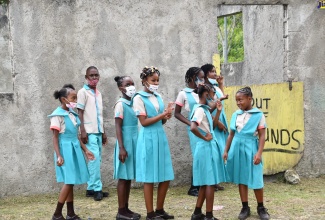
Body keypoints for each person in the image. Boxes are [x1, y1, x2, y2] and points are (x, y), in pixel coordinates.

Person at [133, 66, 174, 220]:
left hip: (159, 136)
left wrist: (166, 115)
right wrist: (162, 115)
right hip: (148, 138)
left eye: (157, 80)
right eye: (153, 80)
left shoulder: (157, 96)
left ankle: (160, 209)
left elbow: (160, 121)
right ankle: (150, 213)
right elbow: (143, 122)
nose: (156, 83)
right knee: (149, 176)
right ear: (144, 81)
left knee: (166, 174)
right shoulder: (138, 98)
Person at [223, 87, 270, 220]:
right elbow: (231, 134)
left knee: (256, 177)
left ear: (250, 99)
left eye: (241, 100)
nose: (238, 103)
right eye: (236, 100)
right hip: (237, 148)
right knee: (241, 178)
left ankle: (261, 207)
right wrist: (226, 150)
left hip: (251, 148)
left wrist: (259, 153)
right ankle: (245, 207)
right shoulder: (235, 115)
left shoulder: (258, 115)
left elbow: (262, 136)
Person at [49, 84, 94, 220]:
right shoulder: (58, 116)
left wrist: (86, 150)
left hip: (74, 148)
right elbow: (55, 138)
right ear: (64, 99)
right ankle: (57, 213)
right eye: (73, 98)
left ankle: (70, 213)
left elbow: (76, 137)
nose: (75, 101)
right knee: (69, 181)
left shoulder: (72, 114)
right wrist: (59, 155)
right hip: (65, 150)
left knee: (71, 181)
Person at [190, 84, 227, 220]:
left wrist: (217, 111)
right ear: (205, 94)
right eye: (211, 94)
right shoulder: (199, 110)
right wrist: (204, 137)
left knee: (206, 182)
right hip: (205, 147)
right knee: (210, 183)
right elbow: (193, 127)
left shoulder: (204, 110)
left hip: (208, 146)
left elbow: (213, 124)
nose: (213, 97)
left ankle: (197, 212)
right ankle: (209, 215)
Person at [77, 66, 108, 201]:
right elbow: (80, 112)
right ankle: (97, 189)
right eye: (91, 76)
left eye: (96, 75)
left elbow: (100, 115)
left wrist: (104, 132)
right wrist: (82, 131)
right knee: (93, 159)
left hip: (98, 131)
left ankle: (90, 187)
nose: (94, 78)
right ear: (86, 77)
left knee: (96, 159)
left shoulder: (98, 93)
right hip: (88, 132)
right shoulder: (82, 92)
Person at [113, 76, 141, 220]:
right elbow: (118, 126)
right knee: (123, 177)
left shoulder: (133, 102)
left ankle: (126, 208)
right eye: (127, 84)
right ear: (121, 88)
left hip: (134, 140)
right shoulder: (120, 104)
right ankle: (120, 211)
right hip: (125, 142)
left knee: (129, 176)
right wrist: (122, 147)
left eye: (132, 84)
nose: (131, 86)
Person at [174, 67, 204, 197]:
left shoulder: (203, 91)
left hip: (205, 126)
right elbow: (177, 113)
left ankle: (204, 183)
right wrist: (189, 123)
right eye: (201, 77)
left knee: (204, 155)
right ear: (193, 78)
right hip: (194, 128)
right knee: (197, 155)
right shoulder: (183, 93)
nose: (203, 80)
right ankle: (194, 186)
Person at [201, 63, 228, 191]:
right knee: (215, 150)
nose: (215, 73)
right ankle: (213, 181)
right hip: (213, 120)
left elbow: (223, 96)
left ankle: (216, 180)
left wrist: (221, 83)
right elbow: (206, 108)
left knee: (221, 149)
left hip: (220, 116)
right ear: (206, 74)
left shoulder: (215, 87)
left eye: (215, 71)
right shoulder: (204, 89)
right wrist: (217, 122)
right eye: (212, 71)